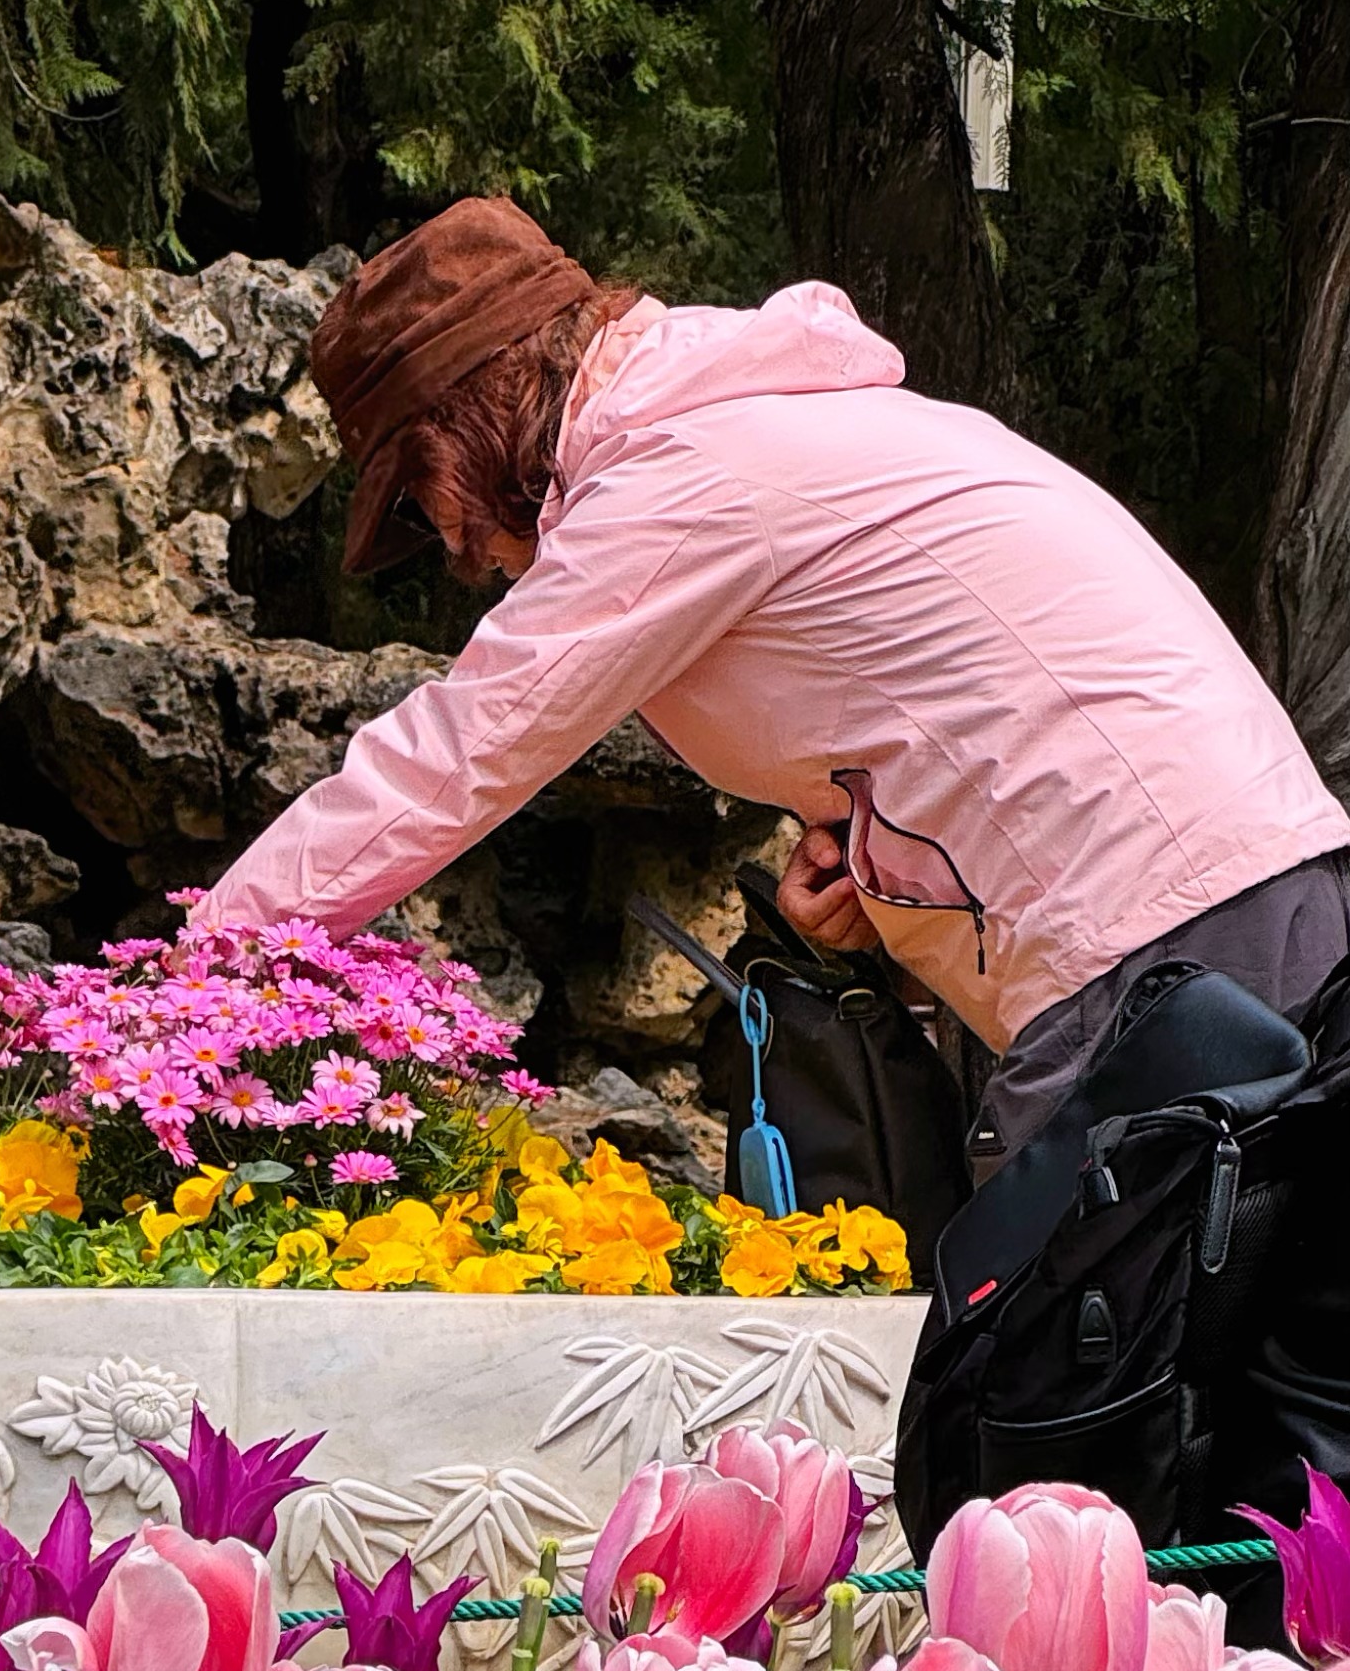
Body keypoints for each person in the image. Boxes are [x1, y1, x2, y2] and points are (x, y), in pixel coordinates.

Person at [201, 199, 1350, 1183]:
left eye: (418, 502)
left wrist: (197, 978)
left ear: (466, 427)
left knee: (1090, 1352)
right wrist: (877, 868)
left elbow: (455, 758)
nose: (456, 552)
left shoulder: (679, 475)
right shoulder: (742, 425)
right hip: (1228, 900)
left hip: (1159, 940)